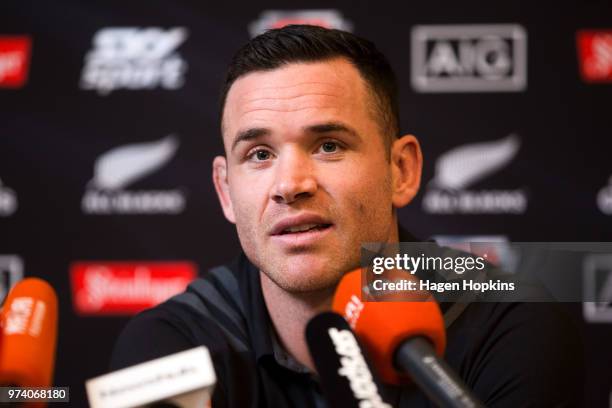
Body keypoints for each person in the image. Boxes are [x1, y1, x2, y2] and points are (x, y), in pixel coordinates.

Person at [111, 25, 583, 407]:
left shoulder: (508, 321)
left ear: (401, 170)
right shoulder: (169, 345)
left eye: (329, 146)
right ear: (225, 191)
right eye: (258, 154)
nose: (290, 184)